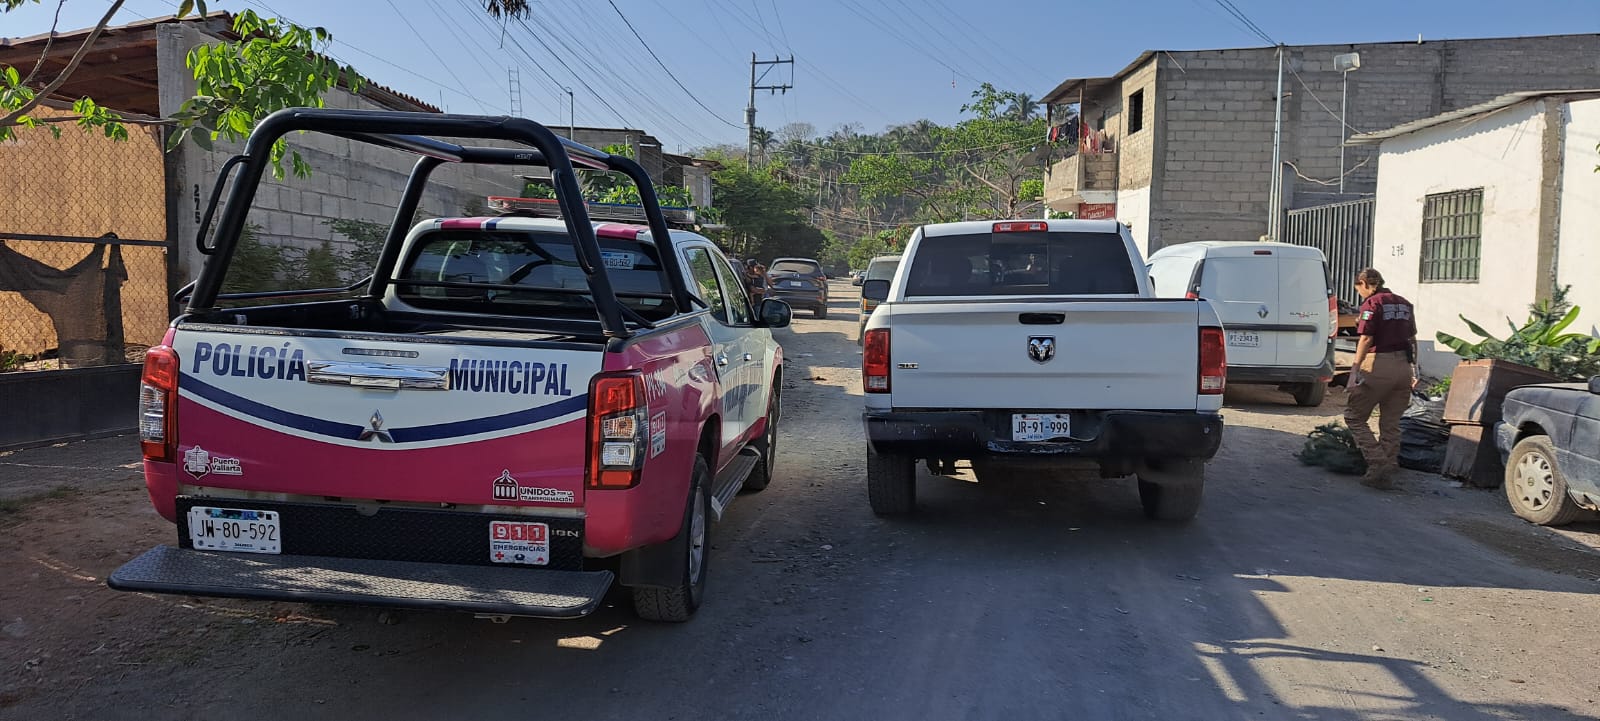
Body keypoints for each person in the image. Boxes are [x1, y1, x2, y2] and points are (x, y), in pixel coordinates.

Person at [1344, 267, 1419, 489]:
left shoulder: (1372, 304)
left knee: (1354, 416)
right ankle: (1388, 465)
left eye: (1358, 288)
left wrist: (1354, 372)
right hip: (1403, 367)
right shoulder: (1404, 303)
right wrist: (1414, 370)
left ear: (1364, 283)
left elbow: (1366, 338)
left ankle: (1377, 463)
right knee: (1391, 422)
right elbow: (1413, 338)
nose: (1359, 293)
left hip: (1379, 365)